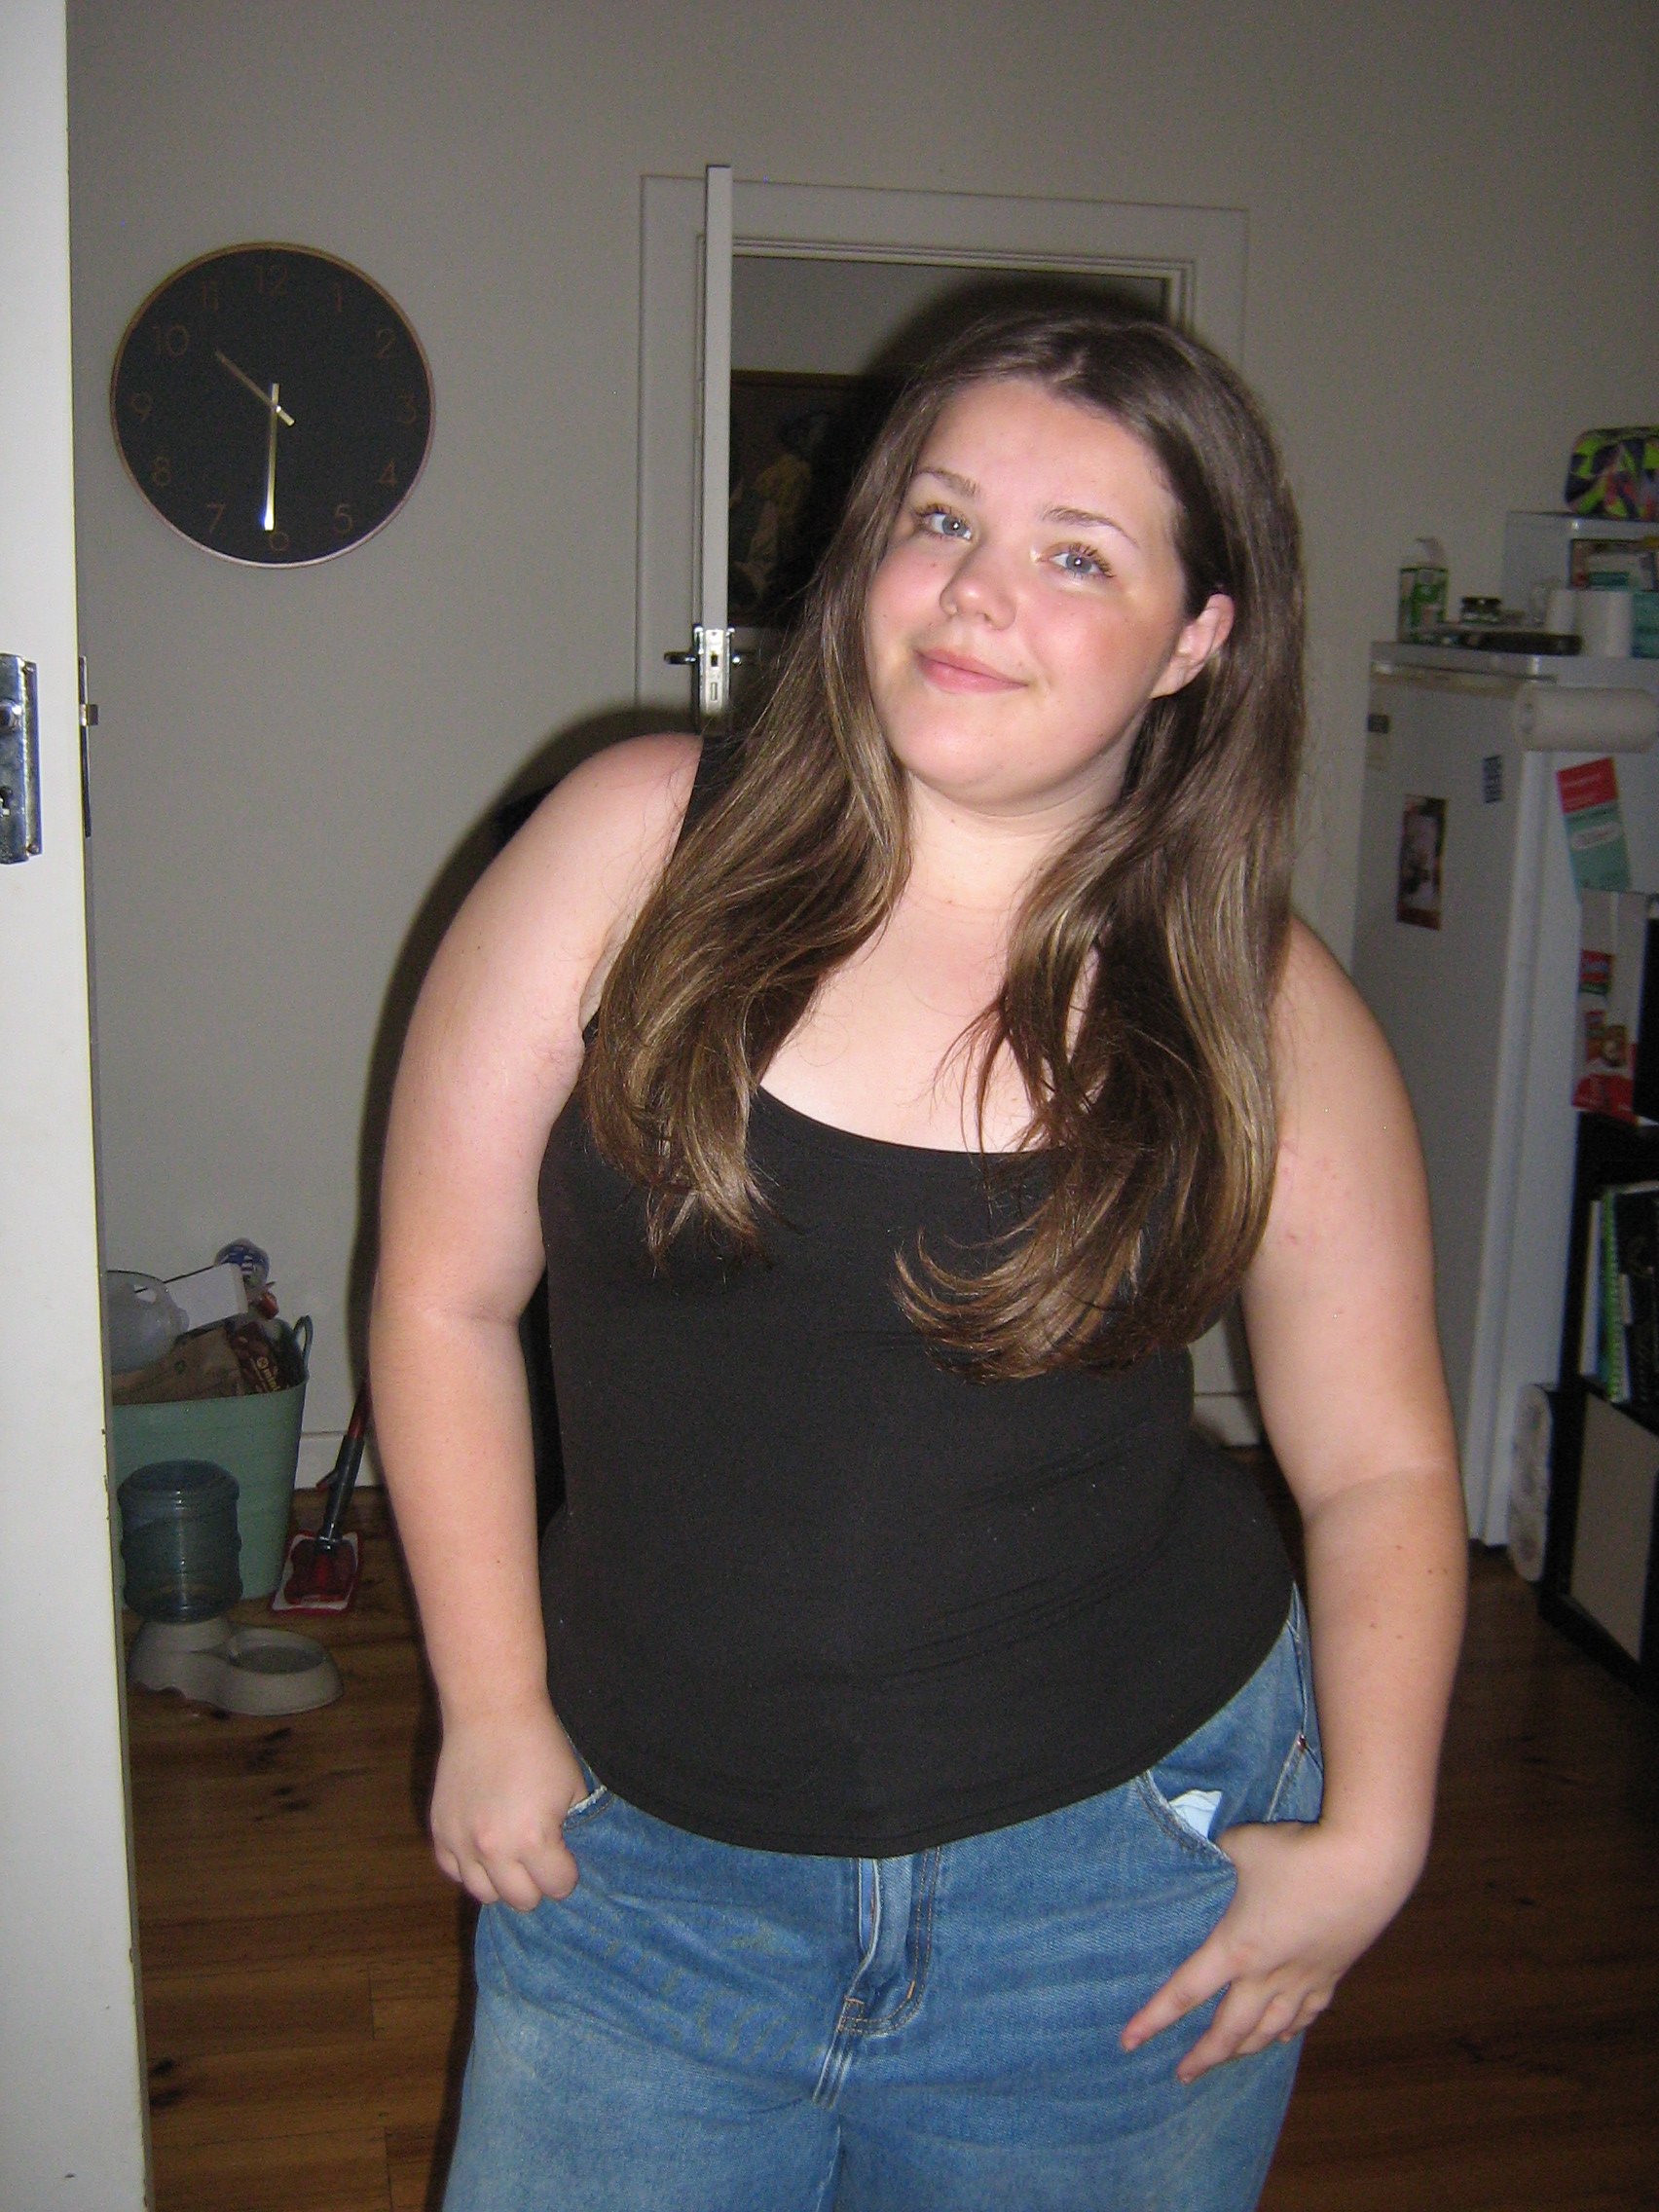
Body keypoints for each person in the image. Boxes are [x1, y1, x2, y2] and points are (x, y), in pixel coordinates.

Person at [370, 308, 1466, 2212]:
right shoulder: (629, 845)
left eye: (1078, 555)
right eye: (943, 518)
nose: (976, 595)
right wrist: (490, 1703)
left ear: (1199, 636)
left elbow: (1380, 1465)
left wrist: (1374, 1832)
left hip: (1111, 1888)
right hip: (643, 1871)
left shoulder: (1264, 1013)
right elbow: (445, 1293)